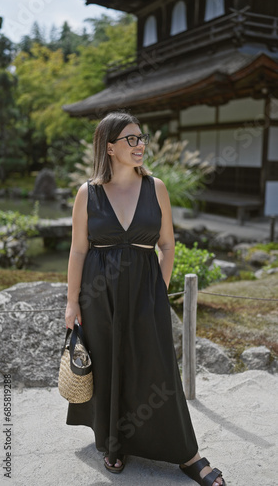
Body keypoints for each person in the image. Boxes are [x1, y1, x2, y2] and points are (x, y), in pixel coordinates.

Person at [65, 111, 226, 486]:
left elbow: (167, 245)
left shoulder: (157, 187)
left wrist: (157, 289)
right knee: (107, 365)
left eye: (142, 139)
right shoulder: (87, 193)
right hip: (98, 295)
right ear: (110, 148)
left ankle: (188, 454)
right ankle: (113, 443)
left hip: (145, 292)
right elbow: (77, 251)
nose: (140, 146)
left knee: (158, 370)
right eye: (131, 140)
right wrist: (73, 303)